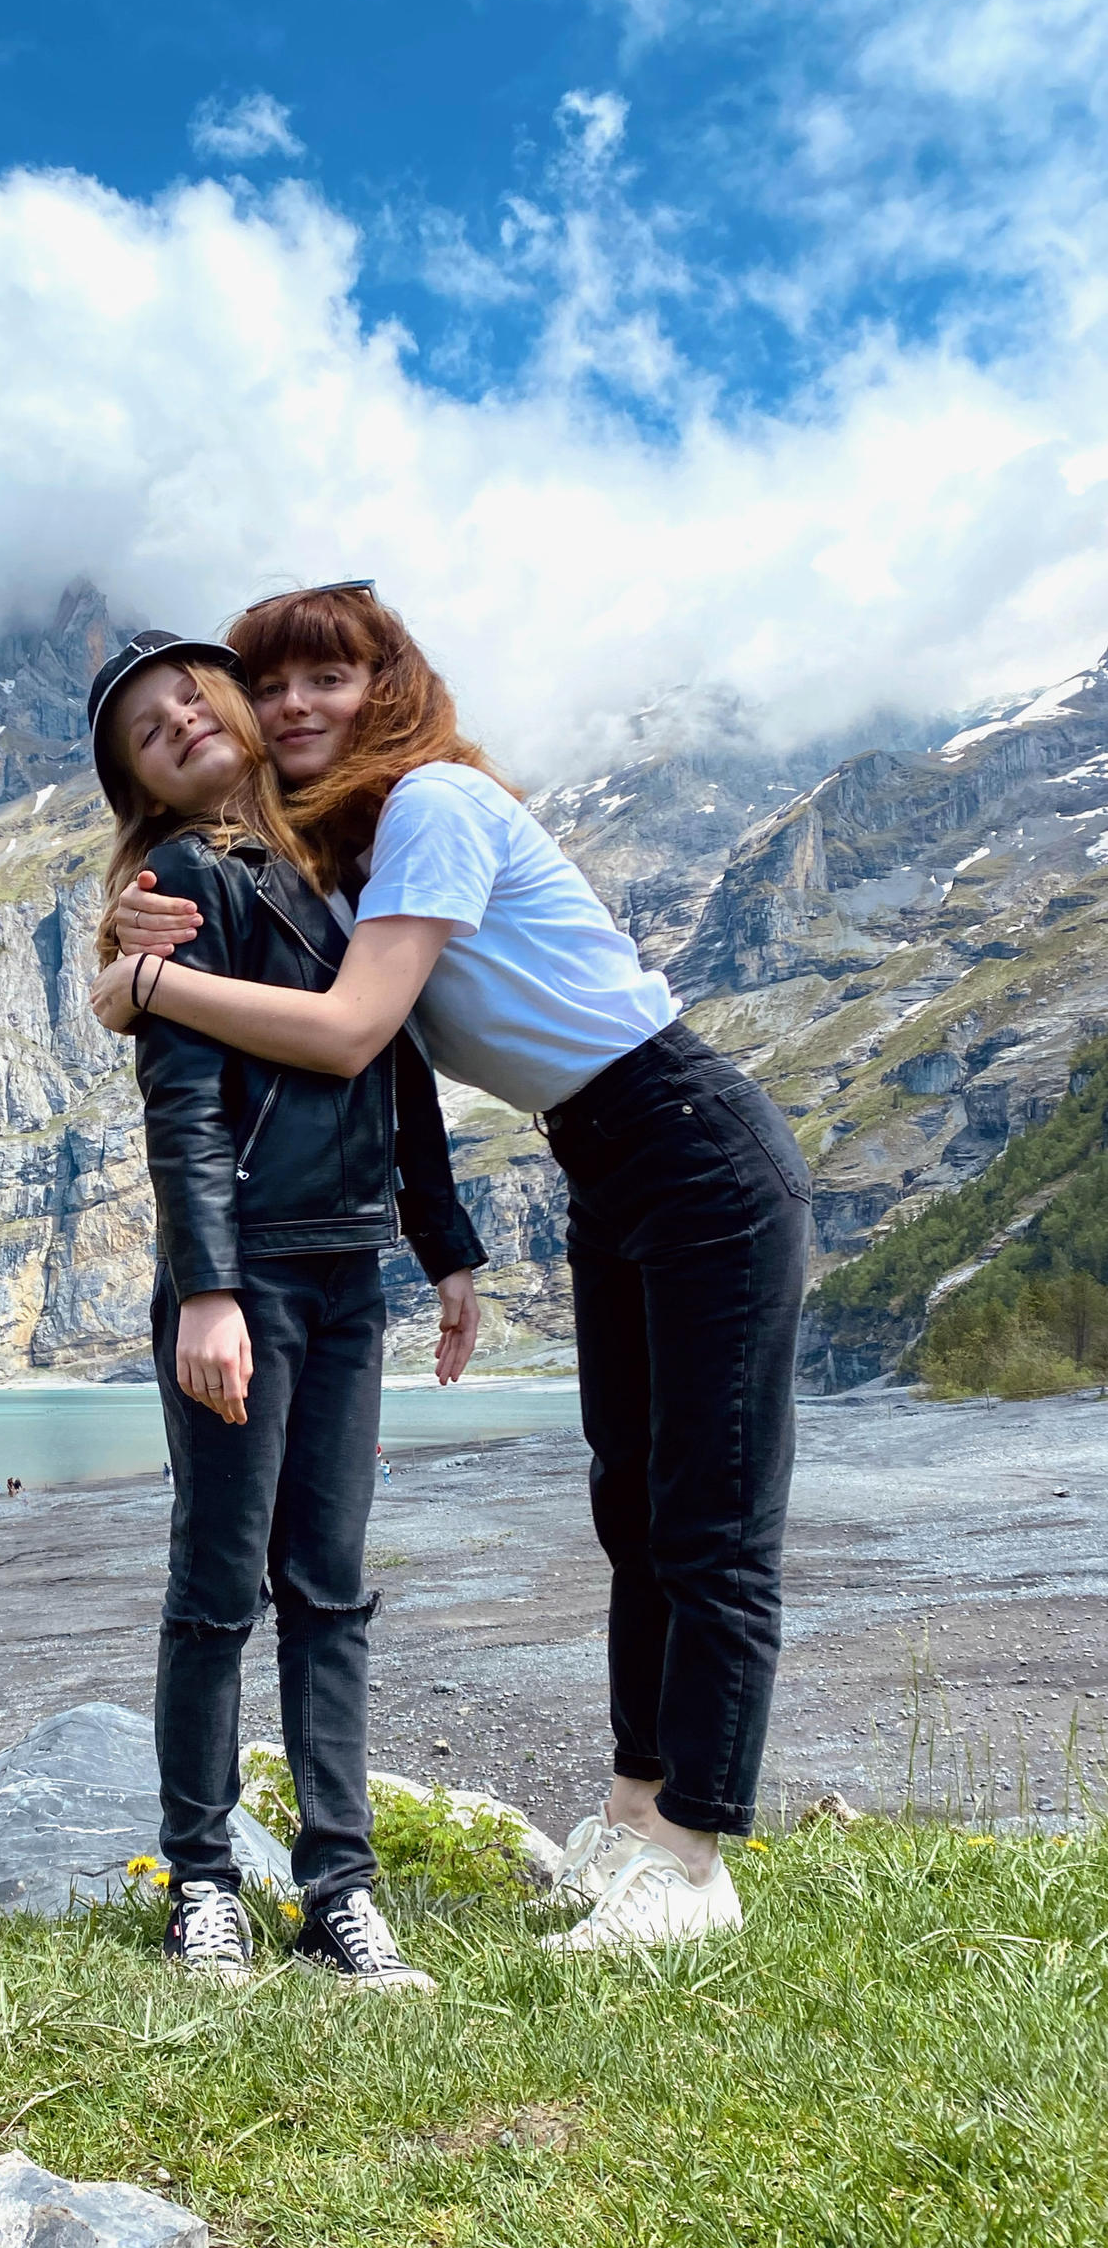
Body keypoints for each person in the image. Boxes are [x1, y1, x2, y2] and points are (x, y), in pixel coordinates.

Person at [94, 585, 810, 1953]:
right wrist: (121, 980)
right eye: (275, 682)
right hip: (604, 1158)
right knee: (633, 1505)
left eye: (330, 680)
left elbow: (358, 1032)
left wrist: (151, 989)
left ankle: (697, 1862)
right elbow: (383, 1056)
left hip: (693, 1144)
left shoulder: (428, 806)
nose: (295, 705)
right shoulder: (332, 863)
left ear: (390, 688)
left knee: (711, 1516)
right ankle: (634, 1821)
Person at [86, 627, 485, 1990]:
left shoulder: (339, 864)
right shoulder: (184, 880)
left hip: (346, 1276)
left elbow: (400, 1068)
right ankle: (202, 1880)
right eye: (147, 730)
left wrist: (444, 1245)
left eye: (193, 696)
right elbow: (183, 1105)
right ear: (137, 782)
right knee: (217, 1590)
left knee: (328, 1588)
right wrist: (206, 1291)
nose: (182, 722)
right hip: (243, 1279)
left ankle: (339, 1890)